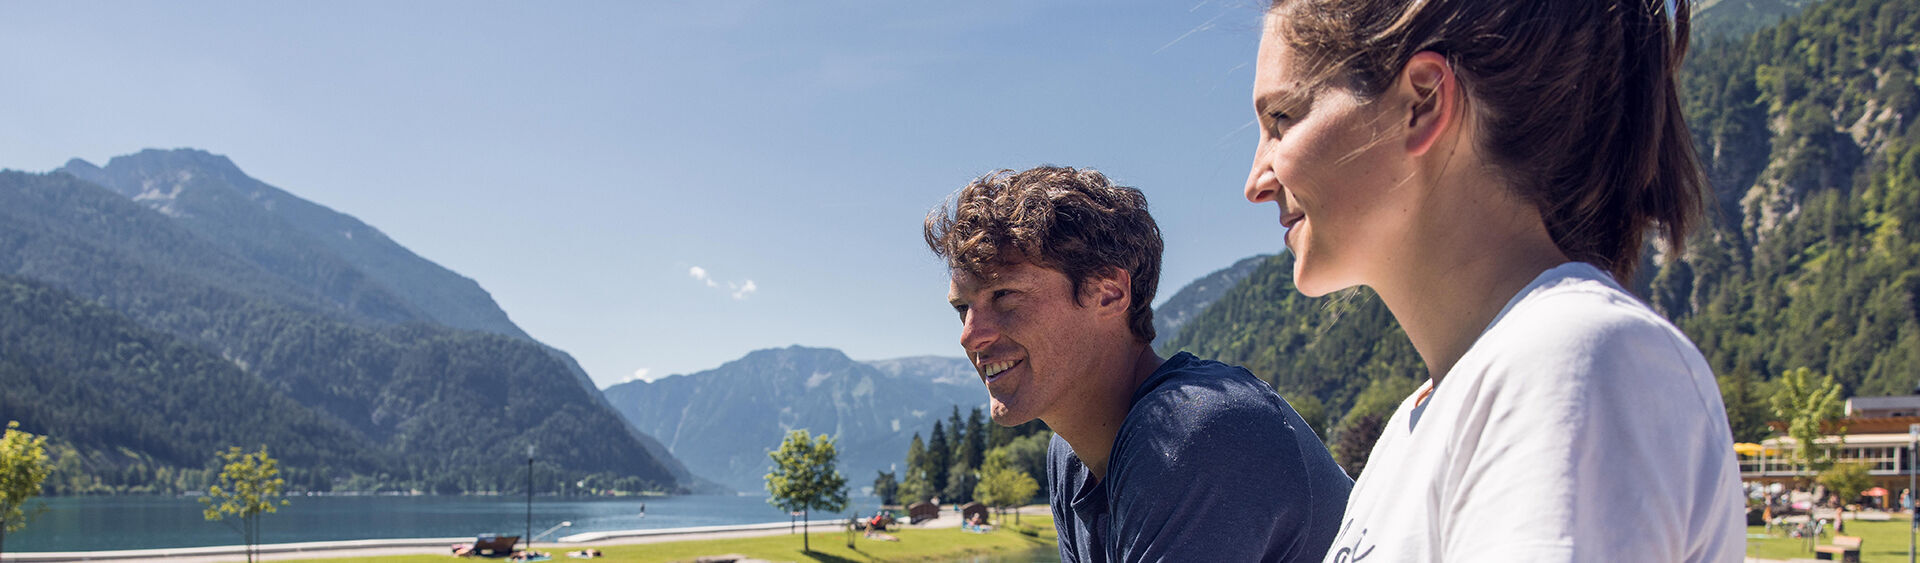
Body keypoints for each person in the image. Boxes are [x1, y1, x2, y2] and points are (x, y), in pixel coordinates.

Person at [1241, 0, 1744, 561]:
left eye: (1282, 119)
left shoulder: (1567, 358)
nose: (1256, 181)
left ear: (1423, 102)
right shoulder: (1428, 416)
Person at [926, 166, 1353, 562]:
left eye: (1003, 296)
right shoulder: (1070, 458)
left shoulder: (1195, 431)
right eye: (963, 308)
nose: (969, 335)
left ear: (1109, 293)